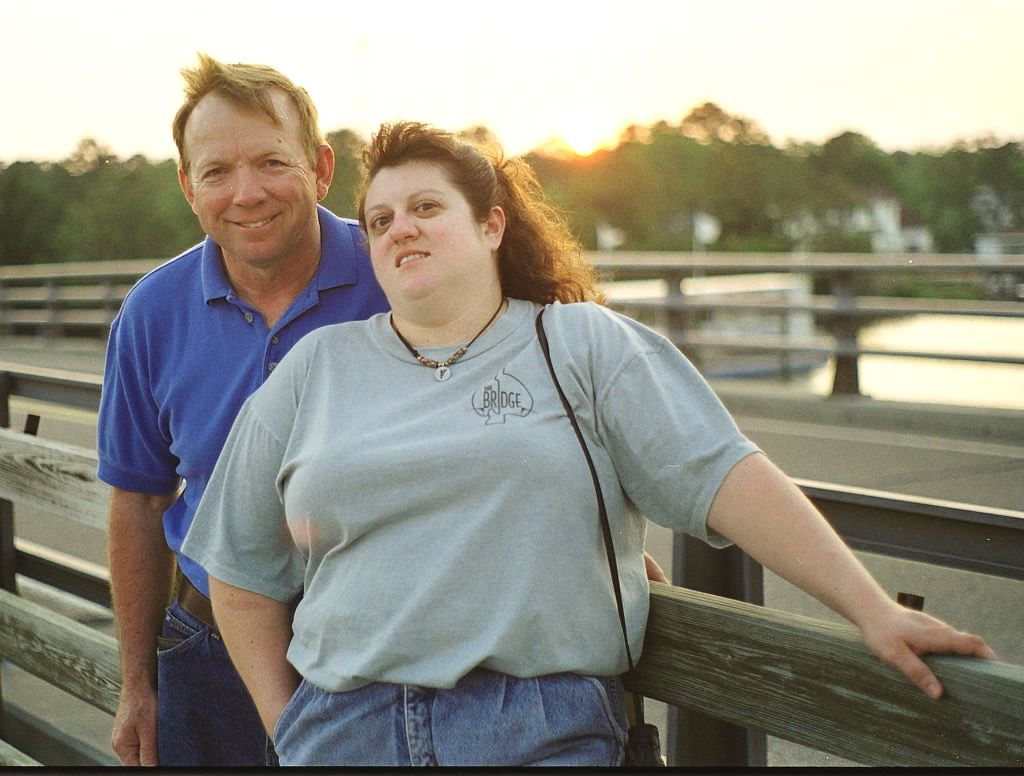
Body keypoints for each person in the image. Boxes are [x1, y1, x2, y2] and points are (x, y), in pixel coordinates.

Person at [181, 122, 996, 767]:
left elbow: (725, 476)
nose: (401, 229)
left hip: (538, 730)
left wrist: (871, 609)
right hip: (342, 730)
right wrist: (290, 730)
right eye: (381, 219)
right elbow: (241, 572)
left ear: (492, 224)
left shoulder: (582, 346)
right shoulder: (317, 369)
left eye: (428, 207)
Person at [96, 54, 391, 766]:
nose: (247, 193)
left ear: (321, 169)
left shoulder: (398, 274)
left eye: (270, 162)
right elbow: (138, 501)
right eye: (217, 171)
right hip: (206, 656)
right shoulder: (151, 312)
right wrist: (138, 682)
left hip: (378, 651)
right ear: (187, 186)